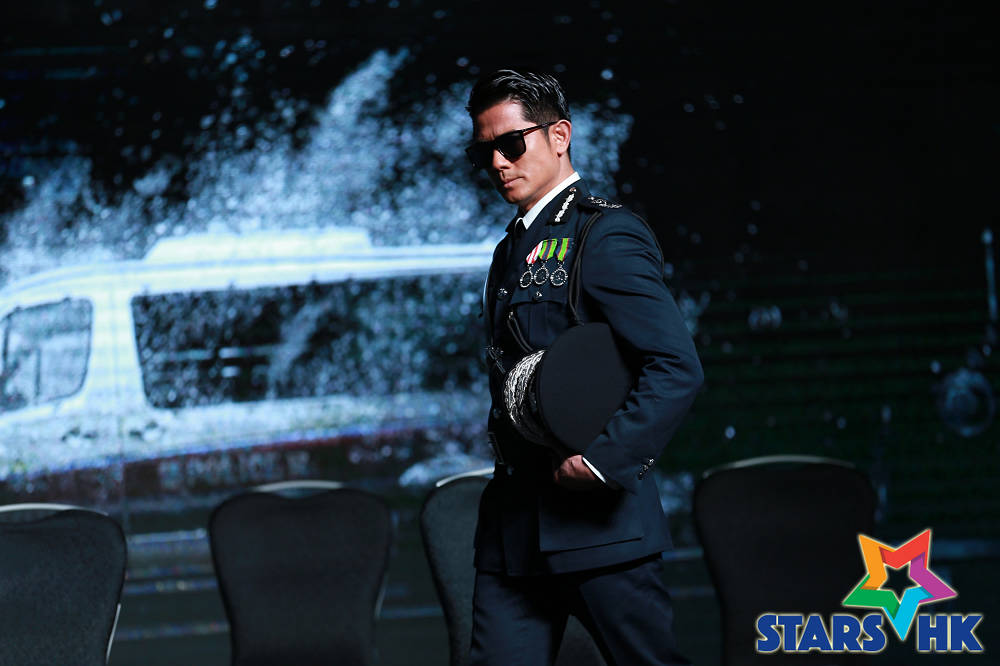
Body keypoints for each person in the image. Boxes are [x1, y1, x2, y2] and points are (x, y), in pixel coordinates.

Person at [466, 69, 704, 665]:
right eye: (484, 151)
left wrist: (605, 462)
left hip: (599, 528)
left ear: (560, 136)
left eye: (511, 143)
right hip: (513, 532)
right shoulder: (510, 248)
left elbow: (675, 365)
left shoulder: (606, 235)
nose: (497, 162)